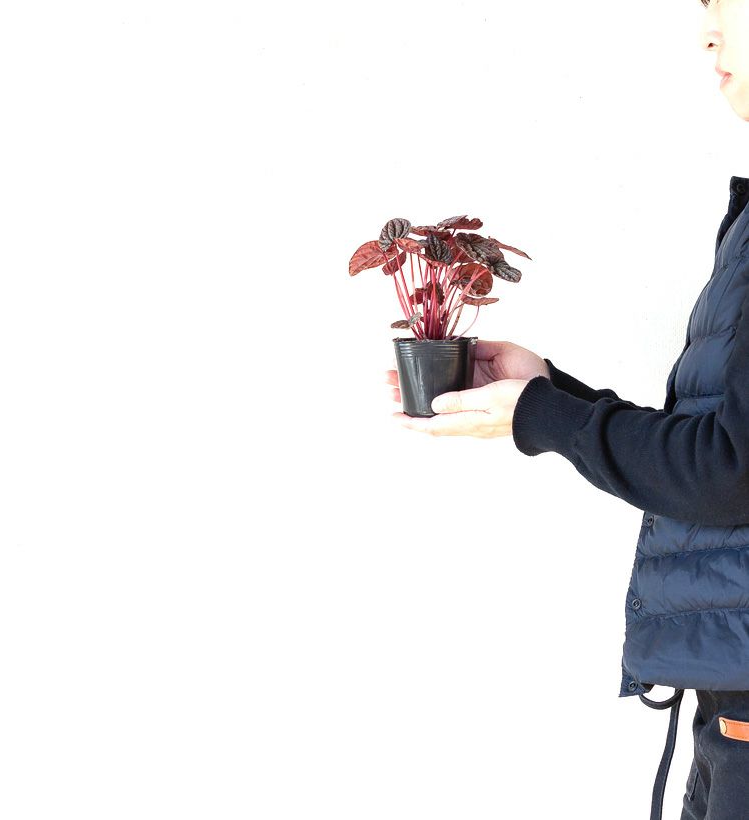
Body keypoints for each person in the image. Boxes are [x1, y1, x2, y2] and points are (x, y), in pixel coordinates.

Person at [384, 3, 749, 819]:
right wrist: (549, 388)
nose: (707, 33)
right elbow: (724, 448)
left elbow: (729, 474)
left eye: (725, 4)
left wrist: (540, 415)